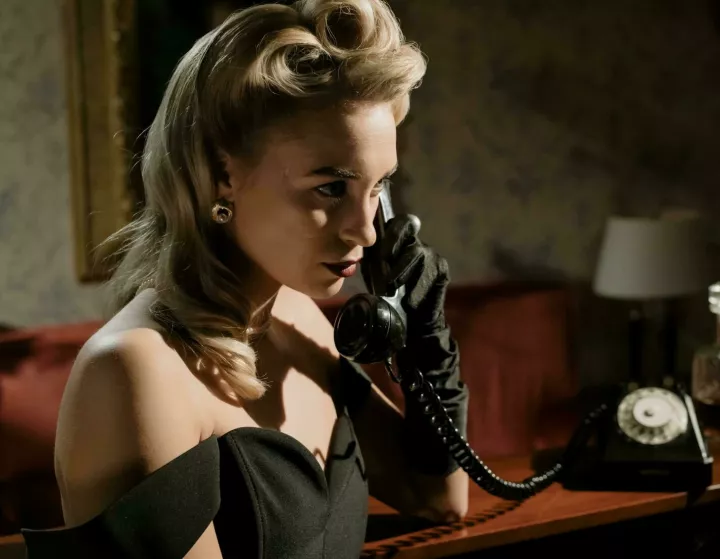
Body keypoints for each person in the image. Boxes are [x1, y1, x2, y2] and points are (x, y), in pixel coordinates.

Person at [20, 0, 470, 557]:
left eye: (377, 188)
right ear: (220, 173)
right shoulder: (134, 372)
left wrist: (428, 341)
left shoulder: (297, 318)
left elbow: (439, 497)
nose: (365, 230)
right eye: (331, 188)